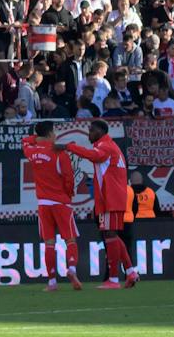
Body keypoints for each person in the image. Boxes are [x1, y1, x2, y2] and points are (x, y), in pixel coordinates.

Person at [57, 121, 139, 288]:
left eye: (92, 130)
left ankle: (114, 279)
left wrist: (69, 147)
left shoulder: (105, 146)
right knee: (112, 235)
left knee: (110, 235)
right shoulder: (110, 146)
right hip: (111, 197)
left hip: (110, 198)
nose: (89, 134)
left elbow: (93, 156)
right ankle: (130, 272)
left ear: (101, 131)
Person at [21, 121, 84, 291]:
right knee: (70, 239)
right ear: (50, 134)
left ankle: (52, 282)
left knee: (49, 243)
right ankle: (72, 269)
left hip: (43, 203)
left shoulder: (32, 151)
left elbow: (25, 141)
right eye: (54, 132)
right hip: (61, 202)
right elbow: (69, 177)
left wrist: (37, 138)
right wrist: (69, 195)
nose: (55, 135)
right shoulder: (59, 152)